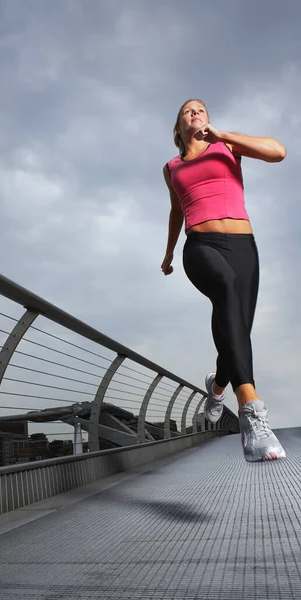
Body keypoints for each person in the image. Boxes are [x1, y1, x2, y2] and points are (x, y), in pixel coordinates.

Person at [161, 99, 287, 462]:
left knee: (238, 327)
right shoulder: (172, 167)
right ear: (178, 127)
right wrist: (169, 253)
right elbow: (175, 212)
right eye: (188, 110)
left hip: (243, 246)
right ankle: (251, 411)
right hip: (200, 244)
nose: (196, 112)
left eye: (201, 109)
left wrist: (222, 135)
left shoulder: (226, 145)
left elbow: (277, 152)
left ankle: (216, 387)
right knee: (226, 291)